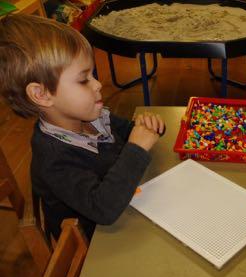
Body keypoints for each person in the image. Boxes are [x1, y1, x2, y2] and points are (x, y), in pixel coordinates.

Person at [0, 14, 165, 240]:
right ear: (42, 94)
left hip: (125, 205)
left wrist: (147, 127)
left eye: (92, 75)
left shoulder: (91, 116)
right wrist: (136, 149)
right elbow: (102, 209)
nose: (97, 84)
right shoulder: (53, 158)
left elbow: (127, 132)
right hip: (95, 242)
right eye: (83, 79)